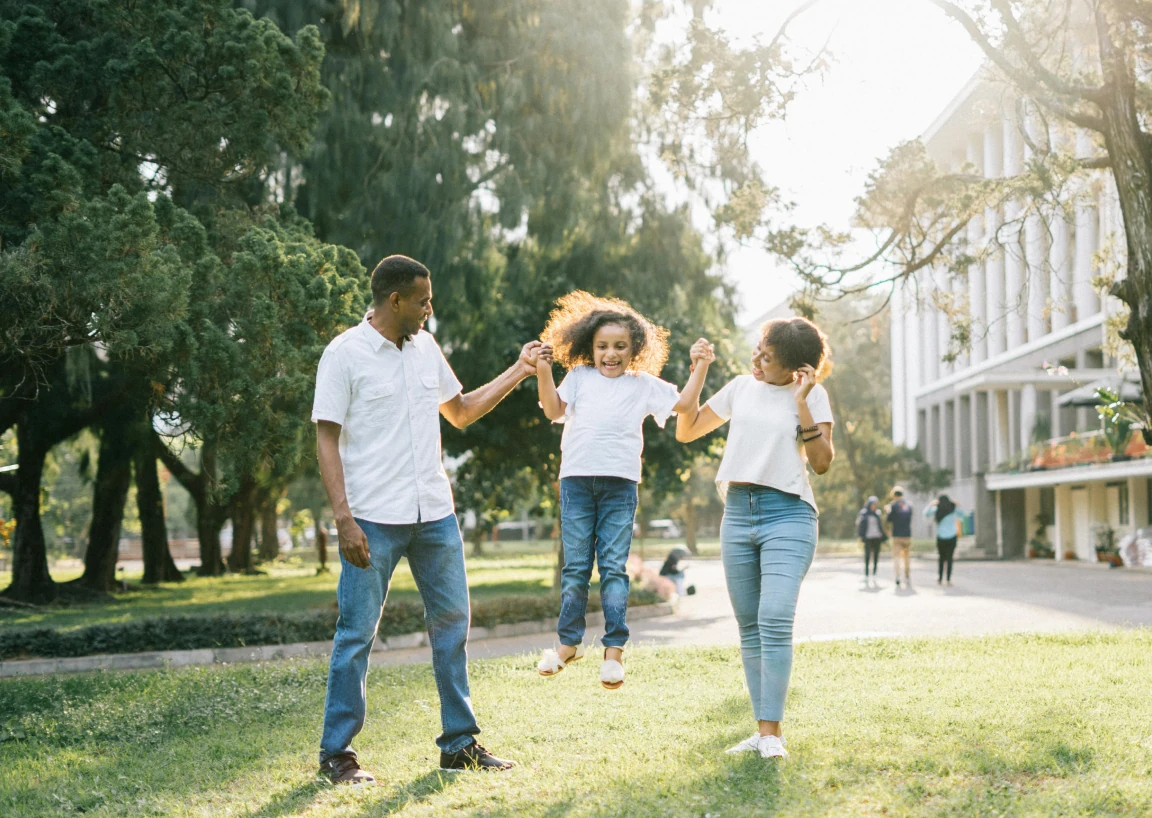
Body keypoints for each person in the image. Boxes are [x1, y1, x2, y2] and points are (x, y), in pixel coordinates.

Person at [311, 255, 539, 783]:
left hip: (435, 514)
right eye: (423, 300)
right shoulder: (344, 354)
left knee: (453, 626)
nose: (429, 310)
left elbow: (459, 411)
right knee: (356, 634)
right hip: (372, 518)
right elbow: (325, 437)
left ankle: (458, 744)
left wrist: (519, 369)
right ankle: (337, 753)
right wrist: (343, 519)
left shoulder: (426, 349)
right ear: (395, 300)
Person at [533, 291, 713, 689]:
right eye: (602, 346)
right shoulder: (579, 377)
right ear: (589, 348)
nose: (610, 354)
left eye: (619, 346)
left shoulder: (643, 384)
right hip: (577, 482)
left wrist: (699, 366)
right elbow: (553, 410)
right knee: (576, 567)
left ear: (635, 349)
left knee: (613, 567)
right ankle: (568, 645)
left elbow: (684, 404)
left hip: (620, 486)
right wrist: (543, 371)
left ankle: (614, 652)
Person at [675, 316, 834, 760]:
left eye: (769, 358)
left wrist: (801, 402)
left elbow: (821, 462)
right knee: (750, 628)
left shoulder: (813, 394)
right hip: (738, 513)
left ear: (798, 370)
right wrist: (700, 369)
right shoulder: (742, 387)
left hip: (789, 513)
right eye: (759, 350)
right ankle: (763, 732)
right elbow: (685, 430)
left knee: (775, 616)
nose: (757, 360)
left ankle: (772, 735)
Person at [923, 493, 962, 585]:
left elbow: (925, 513)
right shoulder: (953, 508)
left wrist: (931, 504)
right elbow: (962, 515)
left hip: (941, 537)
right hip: (952, 536)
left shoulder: (937, 509)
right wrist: (957, 504)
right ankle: (948, 579)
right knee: (949, 558)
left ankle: (940, 578)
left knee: (941, 558)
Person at [885, 487, 914, 587]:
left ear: (894, 496)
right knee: (906, 557)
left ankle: (898, 576)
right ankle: (907, 575)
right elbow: (910, 518)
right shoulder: (909, 505)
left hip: (897, 535)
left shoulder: (893, 506)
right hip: (907, 535)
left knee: (896, 557)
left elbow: (889, 519)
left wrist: (888, 510)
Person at [856, 496, 886, 581]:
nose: (874, 506)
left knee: (876, 557)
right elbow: (860, 526)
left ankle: (874, 574)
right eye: (872, 504)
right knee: (867, 556)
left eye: (875, 505)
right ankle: (866, 575)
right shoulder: (864, 513)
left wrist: (883, 537)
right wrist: (860, 536)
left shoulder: (877, 513)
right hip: (868, 538)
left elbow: (880, 526)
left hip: (877, 538)